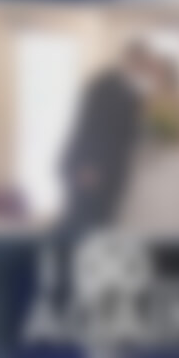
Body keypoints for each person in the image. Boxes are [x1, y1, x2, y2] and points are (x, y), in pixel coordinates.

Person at [60, 41, 153, 231]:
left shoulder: (133, 93)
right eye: (141, 63)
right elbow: (90, 125)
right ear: (130, 60)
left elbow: (130, 131)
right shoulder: (104, 84)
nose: (143, 69)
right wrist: (88, 165)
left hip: (113, 172)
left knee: (102, 224)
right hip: (91, 169)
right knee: (78, 223)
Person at [118, 57, 179, 233]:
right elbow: (135, 128)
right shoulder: (146, 99)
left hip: (173, 160)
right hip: (148, 158)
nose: (156, 76)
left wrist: (169, 133)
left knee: (172, 203)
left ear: (171, 75)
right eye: (155, 73)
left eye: (160, 72)